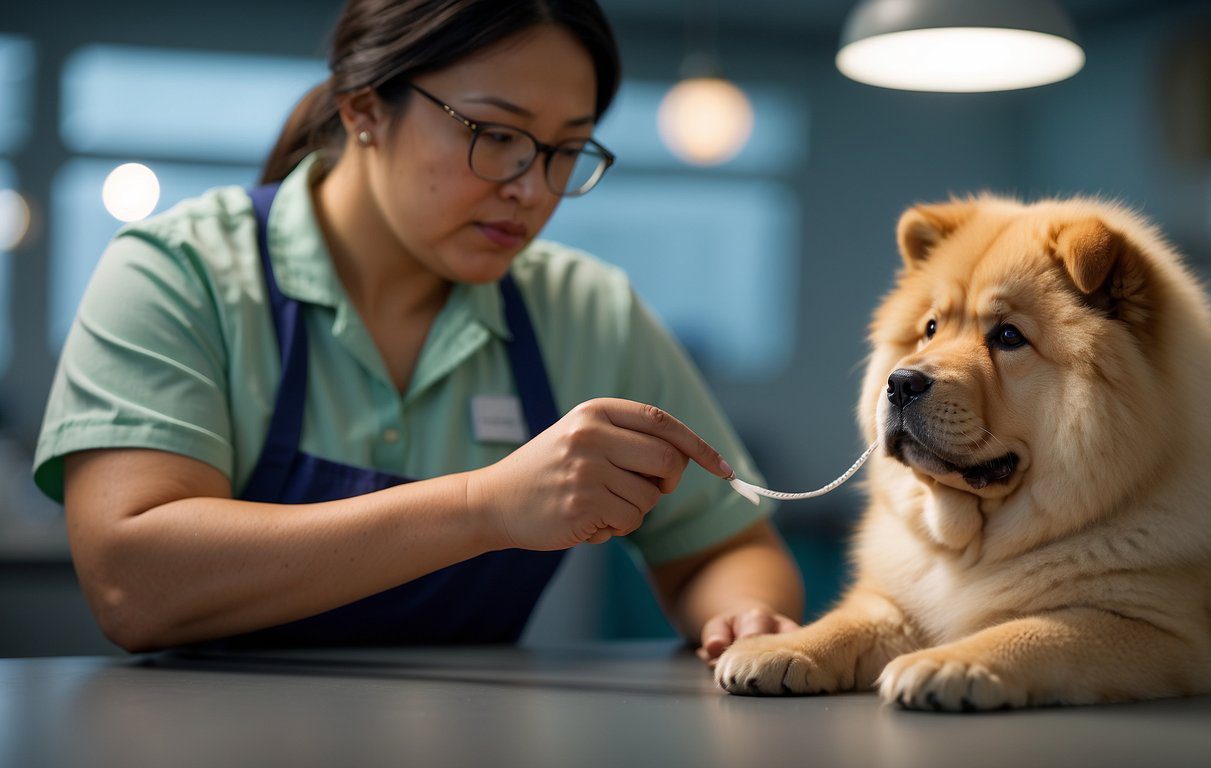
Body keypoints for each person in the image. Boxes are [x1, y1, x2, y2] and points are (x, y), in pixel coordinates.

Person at [33, 0, 803, 660]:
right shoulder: (182, 273)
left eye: (566, 151)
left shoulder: (585, 310)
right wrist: (484, 507)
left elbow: (725, 544)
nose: (532, 190)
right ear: (365, 107)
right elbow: (131, 583)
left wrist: (742, 617)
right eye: (497, 135)